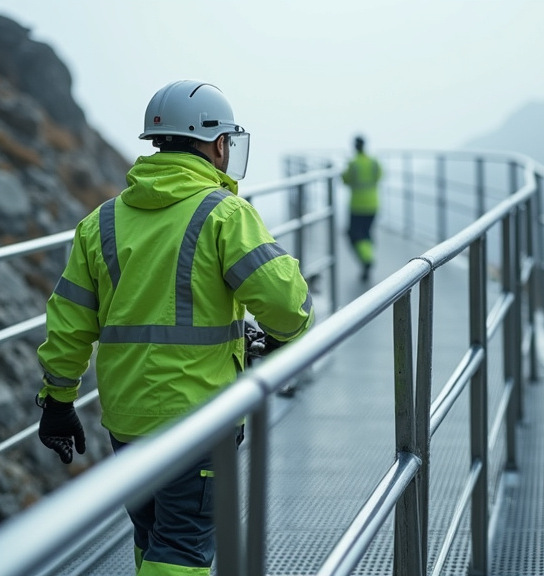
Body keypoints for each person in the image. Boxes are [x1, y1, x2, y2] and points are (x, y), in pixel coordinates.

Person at [34, 79, 314, 576]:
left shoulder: (100, 223)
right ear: (216, 144)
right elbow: (287, 305)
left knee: (152, 538)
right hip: (197, 419)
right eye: (227, 141)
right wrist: (277, 338)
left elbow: (70, 323)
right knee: (182, 552)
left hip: (126, 419)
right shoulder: (224, 213)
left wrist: (58, 400)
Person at [341, 135, 382, 282]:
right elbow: (379, 176)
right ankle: (368, 257)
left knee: (355, 235)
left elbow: (345, 180)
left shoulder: (353, 163)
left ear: (355, 146)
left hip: (357, 206)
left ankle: (367, 259)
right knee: (366, 233)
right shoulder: (374, 162)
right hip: (373, 204)